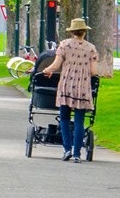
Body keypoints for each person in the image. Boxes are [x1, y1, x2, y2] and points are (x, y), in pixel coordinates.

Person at [42, 17, 99, 162]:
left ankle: (67, 149)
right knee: (79, 120)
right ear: (84, 32)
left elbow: (56, 65)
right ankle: (77, 154)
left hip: (66, 84)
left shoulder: (64, 45)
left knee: (65, 118)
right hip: (82, 87)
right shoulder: (91, 48)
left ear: (72, 31)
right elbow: (93, 71)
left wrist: (47, 70)